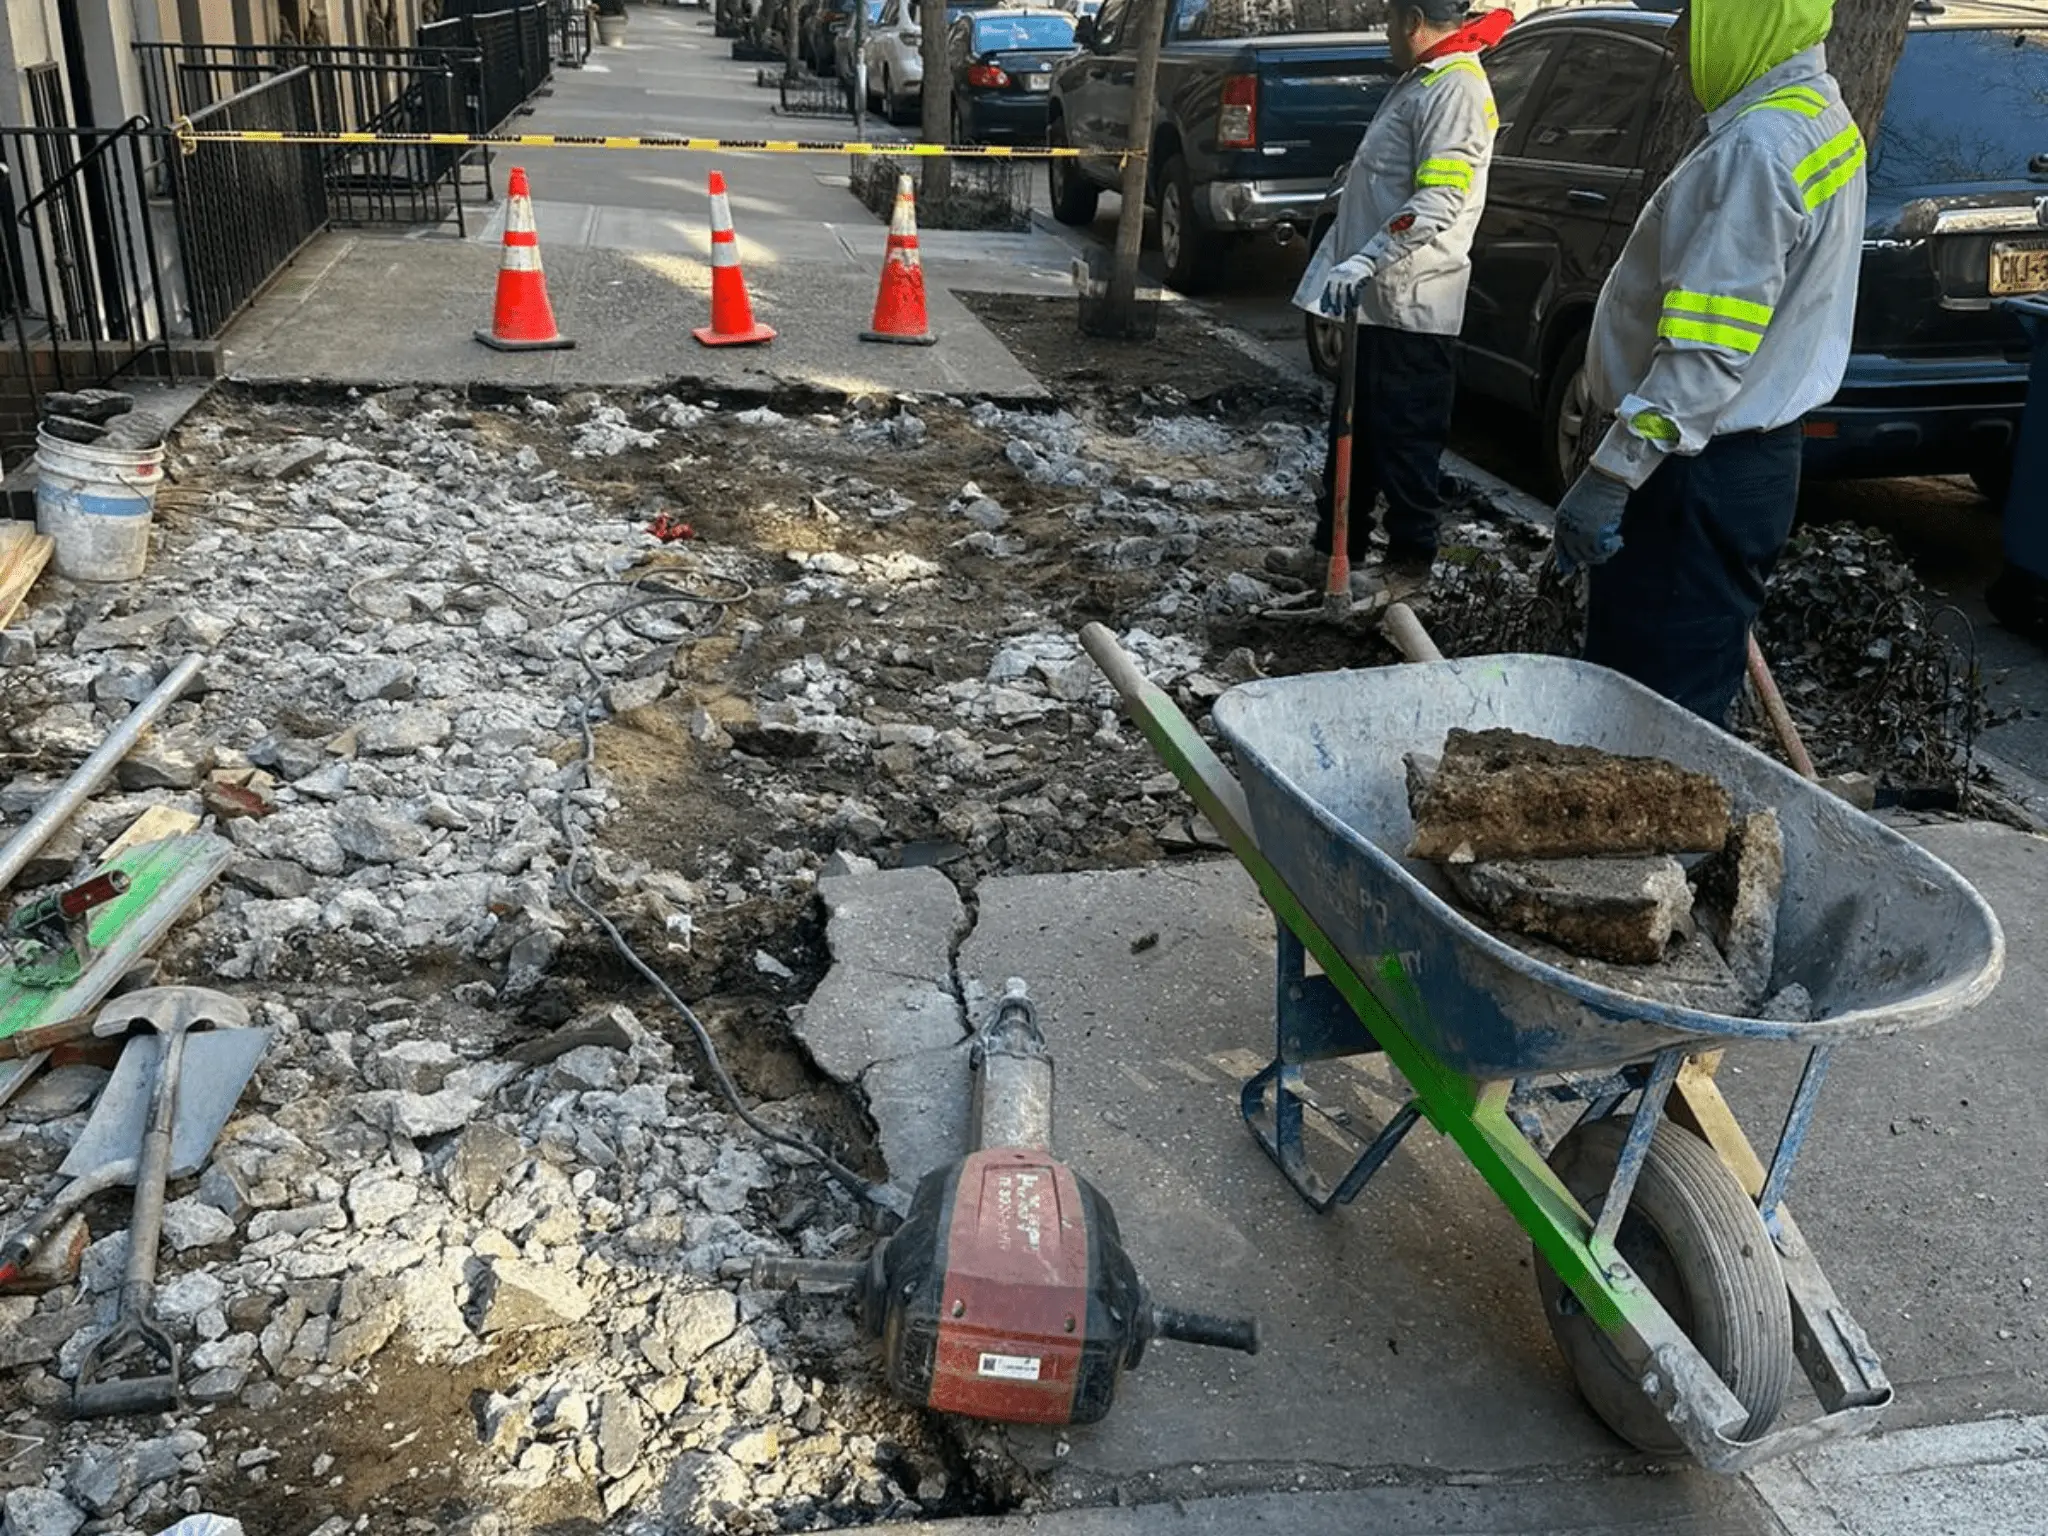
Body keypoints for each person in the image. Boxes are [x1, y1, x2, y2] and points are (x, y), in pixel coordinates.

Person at [1554, 0, 1867, 725]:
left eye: (1694, 16)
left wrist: (1610, 474)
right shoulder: (1818, 116)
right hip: (1744, 462)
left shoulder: (1756, 151)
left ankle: (1662, 839)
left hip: (1692, 471)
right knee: (1689, 691)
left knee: (1650, 715)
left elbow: (1703, 356)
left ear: (1742, 20)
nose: (1678, 38)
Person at [1271, 0, 1512, 593]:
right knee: (1356, 426)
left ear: (1412, 21)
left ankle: (1409, 563)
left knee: (1404, 436)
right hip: (1378, 300)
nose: (1383, 33)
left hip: (1412, 301)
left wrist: (1368, 256)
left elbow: (1439, 201)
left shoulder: (1453, 90)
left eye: (1388, 21)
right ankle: (1337, 549)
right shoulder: (1425, 79)